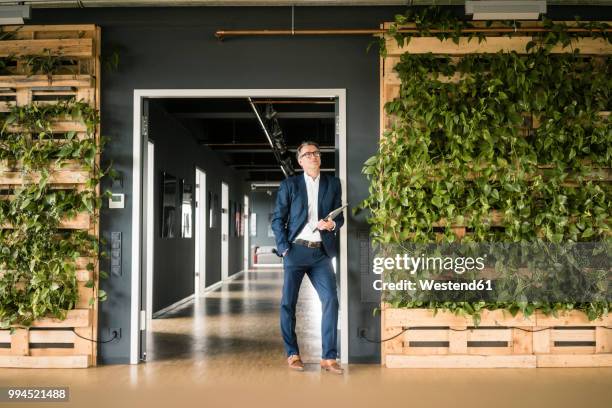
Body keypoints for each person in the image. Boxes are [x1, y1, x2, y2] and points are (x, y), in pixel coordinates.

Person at [271, 141, 344, 374]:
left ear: (320, 158)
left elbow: (339, 218)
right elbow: (277, 220)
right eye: (307, 154)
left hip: (321, 253)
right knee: (287, 304)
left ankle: (329, 358)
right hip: (295, 251)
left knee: (331, 300)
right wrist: (284, 249)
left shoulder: (333, 183)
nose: (313, 156)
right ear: (300, 160)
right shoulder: (289, 185)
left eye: (316, 153)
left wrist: (332, 223)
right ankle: (292, 354)